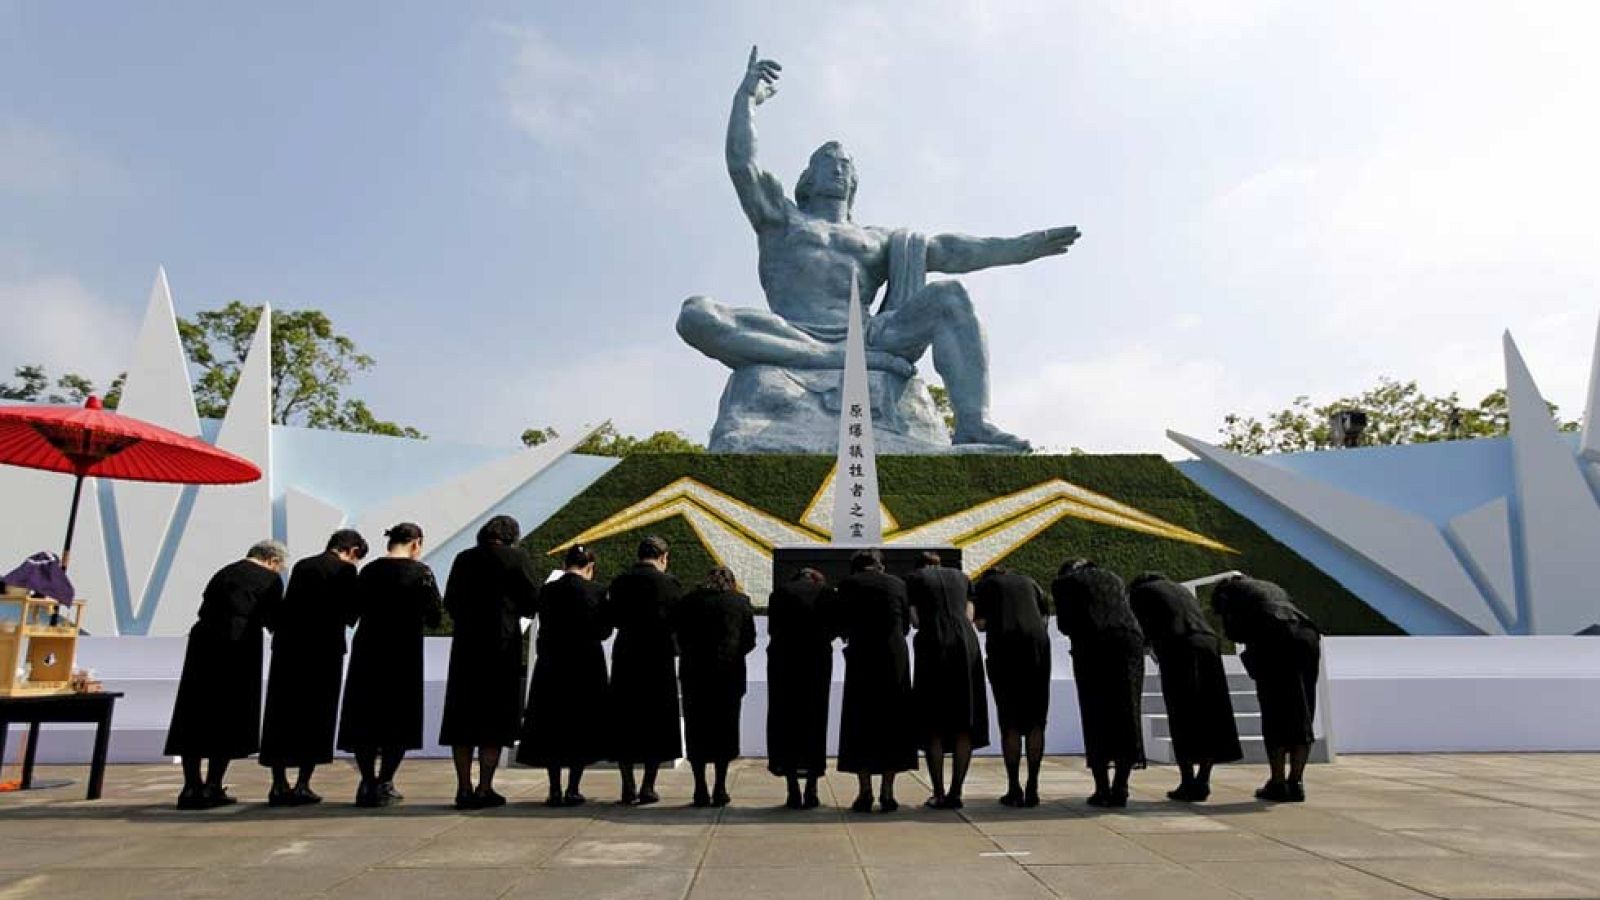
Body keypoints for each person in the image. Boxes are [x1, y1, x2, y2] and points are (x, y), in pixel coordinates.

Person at [165, 540, 286, 810]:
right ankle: (213, 785)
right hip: (239, 646)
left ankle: (190, 786)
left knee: (194, 714)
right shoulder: (269, 579)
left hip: (203, 643)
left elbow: (203, 607)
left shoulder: (224, 572)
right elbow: (273, 619)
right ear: (273, 561)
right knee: (229, 715)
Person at [336, 523, 443, 808]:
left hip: (368, 649)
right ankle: (385, 781)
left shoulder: (369, 571)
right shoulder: (421, 573)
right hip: (403, 651)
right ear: (416, 543)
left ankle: (367, 781)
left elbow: (351, 612)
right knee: (399, 717)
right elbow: (435, 616)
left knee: (366, 717)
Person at [439, 515, 542, 810]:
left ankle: (463, 787)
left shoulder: (464, 559)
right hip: (501, 645)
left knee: (462, 720)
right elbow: (531, 600)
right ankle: (485, 787)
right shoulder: (515, 559)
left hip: (465, 647)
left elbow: (452, 602)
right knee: (494, 720)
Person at [258, 529, 367, 806]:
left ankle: (278, 783)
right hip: (323, 650)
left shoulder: (303, 565)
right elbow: (350, 612)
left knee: (281, 715)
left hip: (288, 648)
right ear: (352, 551)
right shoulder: (345, 571)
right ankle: (303, 784)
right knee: (317, 716)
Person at [1129, 573, 1243, 802]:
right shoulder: (1178, 589)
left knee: (1181, 712)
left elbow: (1137, 629)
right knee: (1210, 711)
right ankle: (1203, 779)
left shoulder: (1139, 593)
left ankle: (1188, 780)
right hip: (1208, 642)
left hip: (1178, 646)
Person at [1211, 575, 1323, 803]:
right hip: (1306, 635)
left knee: (1275, 712)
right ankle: (1296, 782)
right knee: (1303, 709)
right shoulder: (1270, 586)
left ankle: (1278, 781)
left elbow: (1234, 632)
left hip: (1275, 637)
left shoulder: (1231, 594)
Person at [517, 544, 613, 806]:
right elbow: (604, 631)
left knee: (552, 726)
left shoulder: (548, 590)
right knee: (580, 727)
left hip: (551, 665)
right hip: (585, 667)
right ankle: (573, 787)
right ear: (590, 567)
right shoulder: (597, 591)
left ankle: (554, 788)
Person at [1053, 559, 1145, 808]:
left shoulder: (1065, 583)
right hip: (1130, 643)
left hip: (1094, 646)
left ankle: (1102, 788)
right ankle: (1121, 786)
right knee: (1127, 713)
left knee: (1096, 714)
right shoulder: (1113, 577)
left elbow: (1065, 624)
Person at [905, 552, 988, 809]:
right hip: (966, 645)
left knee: (934, 723)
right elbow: (969, 613)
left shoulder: (914, 579)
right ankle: (956, 792)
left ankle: (938, 792)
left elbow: (916, 620)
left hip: (933, 644)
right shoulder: (962, 578)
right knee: (964, 721)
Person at [836, 549, 916, 813]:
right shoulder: (898, 584)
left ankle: (865, 791)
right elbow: (905, 625)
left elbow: (842, 625)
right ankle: (888, 791)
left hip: (862, 658)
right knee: (893, 722)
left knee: (860, 722)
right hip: (894, 658)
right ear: (880, 565)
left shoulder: (849, 584)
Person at [606, 535, 684, 805]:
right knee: (657, 721)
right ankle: (648, 785)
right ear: (663, 557)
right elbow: (678, 620)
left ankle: (627, 785)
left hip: (627, 656)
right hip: (658, 657)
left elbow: (612, 618)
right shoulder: (670, 583)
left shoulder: (620, 582)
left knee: (624, 720)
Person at [673, 566, 757, 807]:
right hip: (728, 676)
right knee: (725, 732)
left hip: (694, 676)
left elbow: (678, 635)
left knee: (696, 731)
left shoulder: (688, 602)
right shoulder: (739, 602)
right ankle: (720, 786)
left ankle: (699, 787)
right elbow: (748, 640)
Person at [973, 566, 1052, 807]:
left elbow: (981, 624)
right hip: (1038, 648)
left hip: (1005, 649)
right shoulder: (1029, 580)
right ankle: (1033, 785)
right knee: (1037, 720)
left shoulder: (986, 586)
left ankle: (1014, 787)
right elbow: (1045, 614)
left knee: (1010, 721)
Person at [766, 568, 836, 809]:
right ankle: (812, 789)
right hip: (817, 664)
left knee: (786, 725)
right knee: (815, 723)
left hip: (784, 665)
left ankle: (792, 788)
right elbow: (834, 630)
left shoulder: (780, 593)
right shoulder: (826, 593)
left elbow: (772, 629)